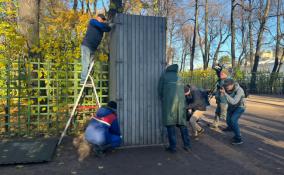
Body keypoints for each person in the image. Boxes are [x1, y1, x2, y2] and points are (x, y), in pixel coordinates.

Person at [158, 64, 191, 153]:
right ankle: (187, 145)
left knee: (170, 126)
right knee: (183, 125)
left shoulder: (164, 76)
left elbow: (160, 91)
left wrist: (164, 98)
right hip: (181, 105)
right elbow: (183, 90)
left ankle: (173, 147)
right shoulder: (179, 77)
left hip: (169, 104)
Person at [80, 14, 112, 85]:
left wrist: (109, 26)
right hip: (86, 46)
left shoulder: (102, 27)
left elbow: (108, 29)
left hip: (93, 48)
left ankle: (87, 80)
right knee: (85, 63)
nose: (103, 21)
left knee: (91, 66)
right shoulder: (93, 21)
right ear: (97, 18)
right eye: (102, 19)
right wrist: (107, 25)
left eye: (104, 20)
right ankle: (83, 80)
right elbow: (101, 25)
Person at [220, 78, 246, 145]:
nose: (226, 87)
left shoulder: (239, 90)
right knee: (228, 120)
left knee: (233, 120)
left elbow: (234, 102)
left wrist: (225, 94)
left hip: (240, 107)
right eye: (225, 85)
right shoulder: (226, 88)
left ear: (232, 85)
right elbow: (221, 98)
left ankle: (238, 138)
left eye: (227, 85)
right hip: (232, 106)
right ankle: (232, 128)